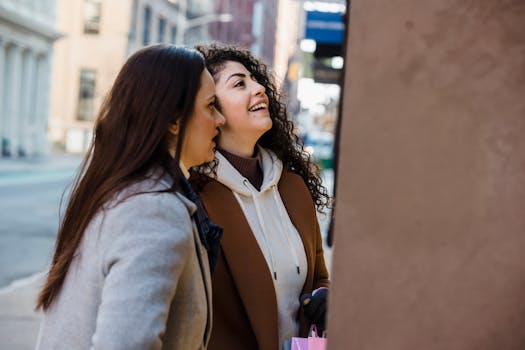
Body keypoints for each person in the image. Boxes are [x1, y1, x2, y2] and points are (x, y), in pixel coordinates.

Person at [35, 44, 225, 350]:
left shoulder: (121, 192)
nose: (220, 120)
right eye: (211, 105)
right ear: (174, 120)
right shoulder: (154, 210)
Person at [192, 43, 331, 350]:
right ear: (210, 107)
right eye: (240, 83)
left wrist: (325, 298)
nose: (259, 88)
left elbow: (320, 276)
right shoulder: (193, 196)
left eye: (255, 80)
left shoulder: (293, 188)